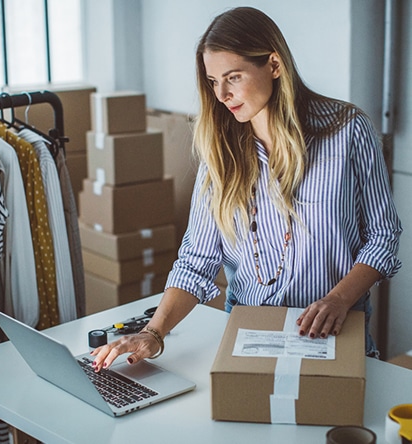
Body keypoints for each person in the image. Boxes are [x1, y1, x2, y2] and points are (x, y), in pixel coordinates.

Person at [91, 6, 402, 371]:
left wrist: (338, 299)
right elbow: (196, 262)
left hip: (335, 331)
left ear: (273, 65)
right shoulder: (220, 152)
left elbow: (383, 236)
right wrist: (154, 333)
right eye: (212, 81)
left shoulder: (348, 130)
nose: (221, 94)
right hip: (250, 334)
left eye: (233, 77)